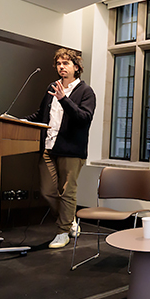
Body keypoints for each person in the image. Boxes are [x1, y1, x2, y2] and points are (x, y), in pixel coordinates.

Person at [25, 48, 96, 248]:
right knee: (47, 191)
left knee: (67, 192)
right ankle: (70, 220)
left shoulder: (85, 91)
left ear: (76, 67)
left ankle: (63, 231)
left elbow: (84, 118)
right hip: (49, 146)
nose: (61, 67)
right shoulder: (52, 87)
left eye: (65, 63)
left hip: (71, 151)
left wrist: (64, 99)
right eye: (58, 63)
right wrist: (18, 121)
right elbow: (41, 115)